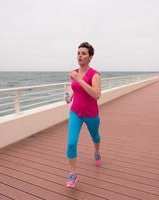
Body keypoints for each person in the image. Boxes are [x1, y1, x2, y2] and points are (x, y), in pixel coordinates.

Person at [65, 42, 102, 188]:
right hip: (75, 112)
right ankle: (73, 174)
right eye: (78, 53)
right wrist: (71, 96)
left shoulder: (95, 75)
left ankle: (97, 152)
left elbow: (96, 95)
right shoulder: (74, 72)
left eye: (84, 53)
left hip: (91, 113)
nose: (80, 56)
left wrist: (79, 79)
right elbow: (77, 88)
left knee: (95, 137)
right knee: (71, 143)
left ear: (90, 57)